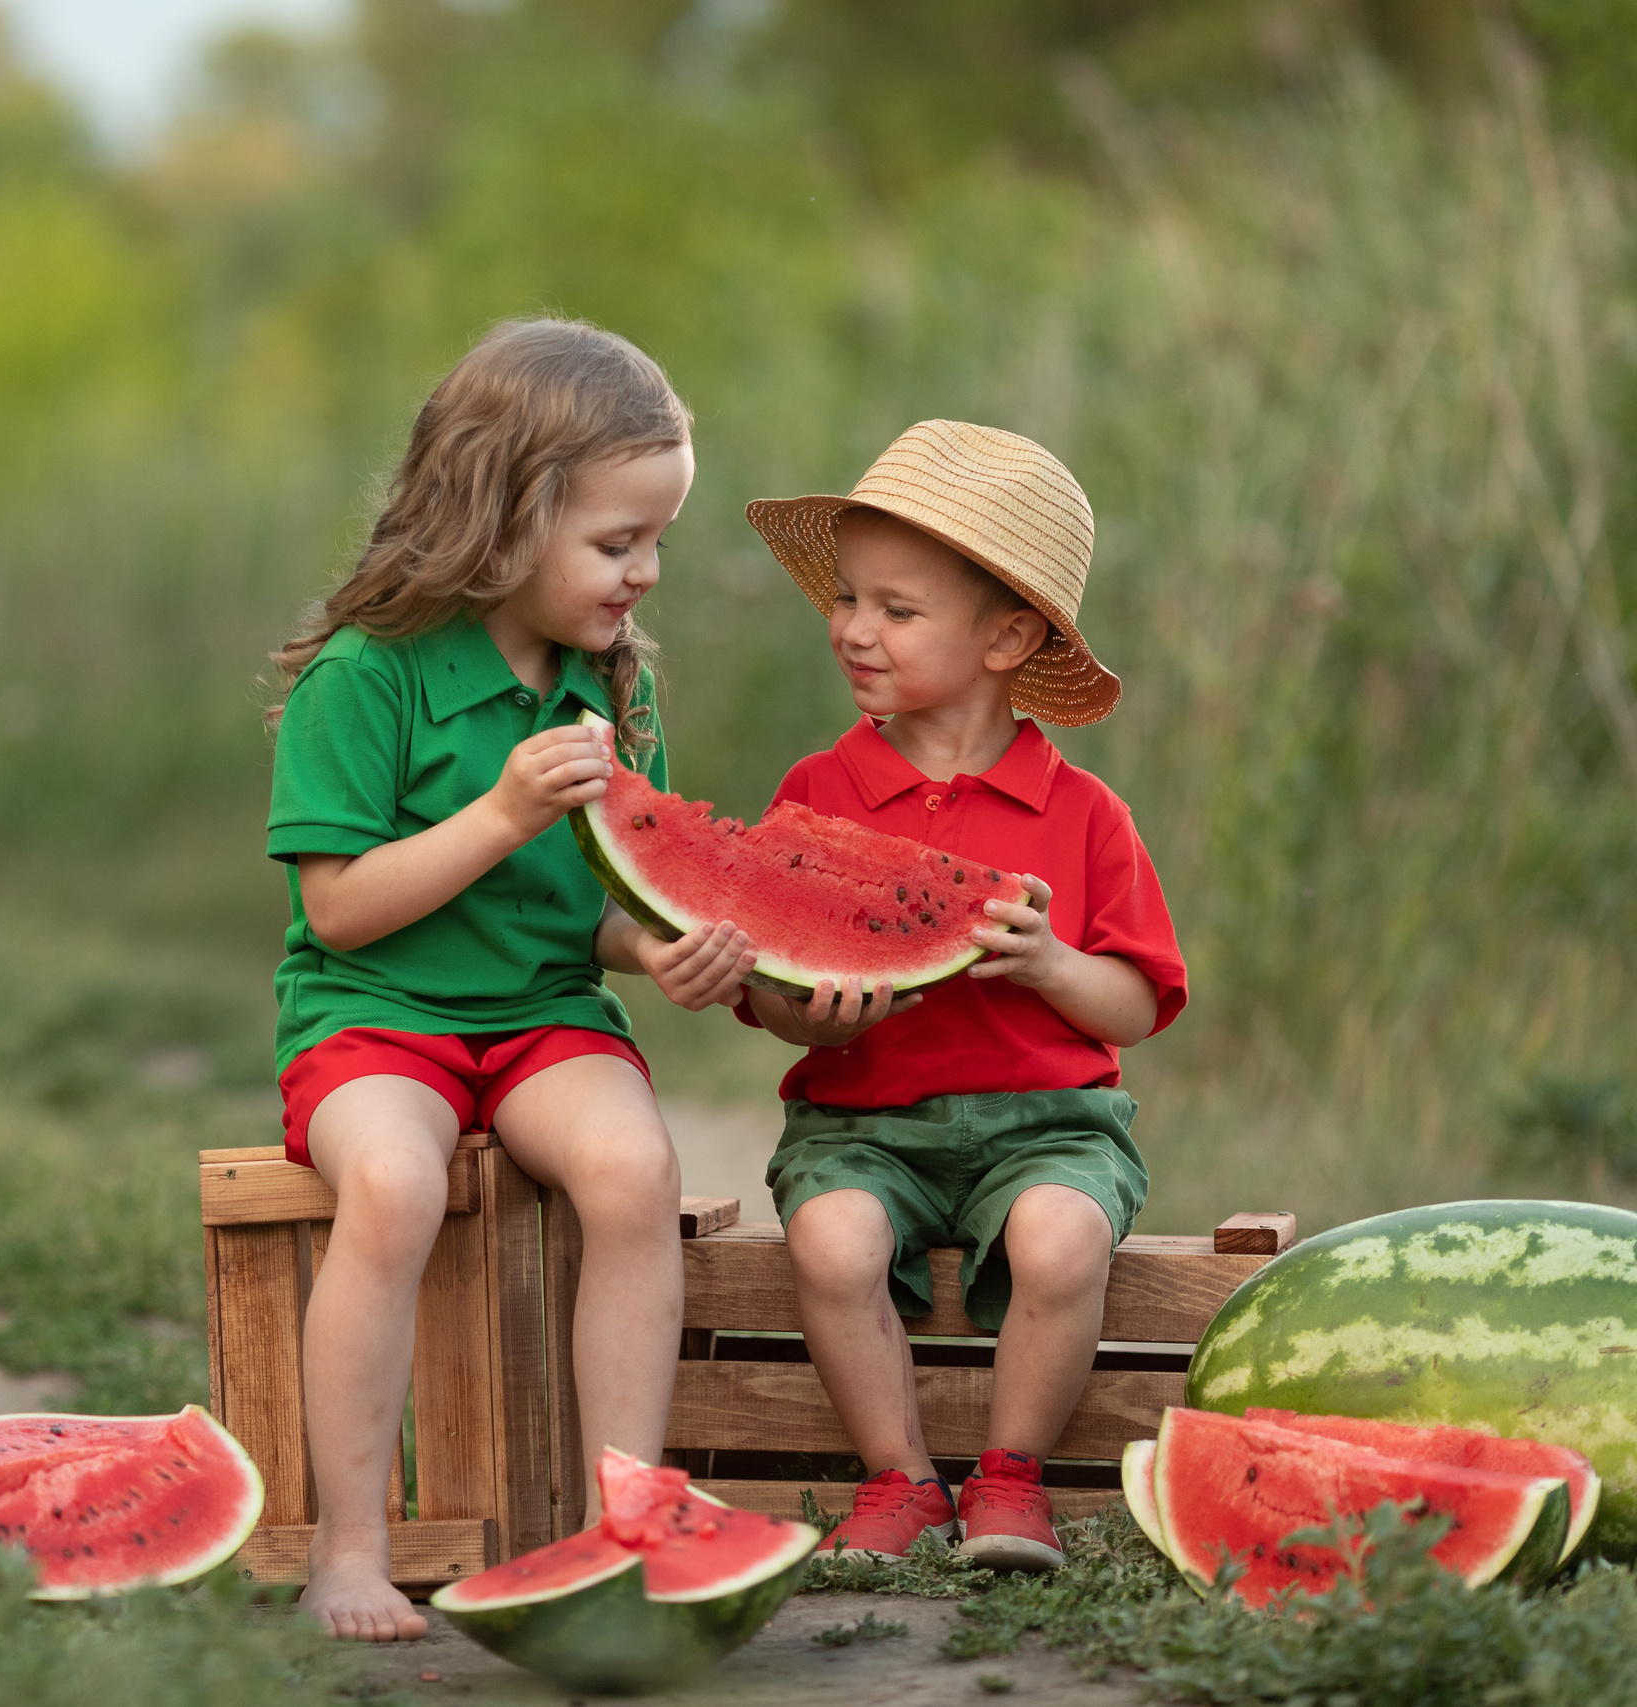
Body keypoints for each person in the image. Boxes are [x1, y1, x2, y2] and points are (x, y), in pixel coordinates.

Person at [265, 319, 759, 1641]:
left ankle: (624, 1521)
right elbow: (338, 911)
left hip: (544, 1015)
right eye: (616, 542)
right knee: (393, 1181)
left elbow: (599, 908)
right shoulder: (364, 676)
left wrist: (657, 948)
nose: (645, 573)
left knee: (634, 1170)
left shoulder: (613, 688)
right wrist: (498, 813)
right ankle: (350, 1548)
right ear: (503, 516)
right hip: (375, 1019)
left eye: (658, 542)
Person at [731, 420, 1188, 1572]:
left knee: (1060, 1238)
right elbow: (767, 991)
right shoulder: (816, 792)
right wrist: (804, 1011)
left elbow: (1133, 1008)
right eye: (846, 598)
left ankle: (1010, 1480)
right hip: (858, 1122)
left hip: (1048, 1126)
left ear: (1007, 637)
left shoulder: (1085, 814)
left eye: (896, 609)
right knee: (830, 1242)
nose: (852, 629)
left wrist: (1048, 962)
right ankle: (897, 1480)